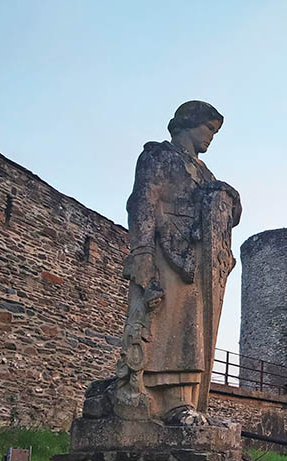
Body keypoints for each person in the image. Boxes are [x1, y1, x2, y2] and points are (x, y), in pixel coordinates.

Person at [109, 101, 242, 425]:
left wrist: (232, 199)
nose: (211, 137)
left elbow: (224, 214)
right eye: (208, 128)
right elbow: (142, 203)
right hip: (167, 252)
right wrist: (142, 253)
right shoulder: (159, 157)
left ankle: (189, 402)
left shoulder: (206, 174)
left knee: (193, 331)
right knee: (171, 329)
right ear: (187, 123)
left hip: (197, 261)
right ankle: (169, 404)